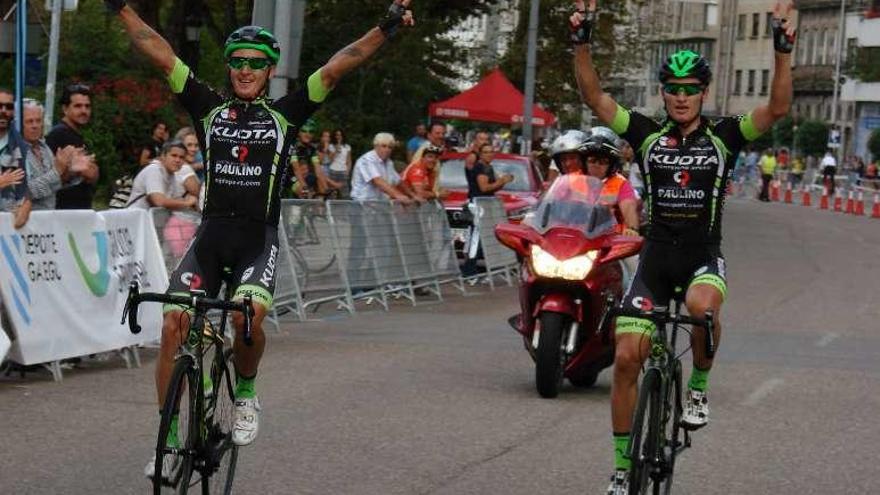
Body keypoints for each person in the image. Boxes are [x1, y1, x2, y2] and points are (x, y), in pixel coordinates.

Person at [104, 0, 417, 482]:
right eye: (238, 61)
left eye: (255, 63)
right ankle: (167, 441)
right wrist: (122, 9)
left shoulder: (287, 114)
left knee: (246, 316)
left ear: (269, 69)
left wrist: (386, 28)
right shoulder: (208, 108)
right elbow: (160, 51)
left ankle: (246, 390)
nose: (245, 69)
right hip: (210, 239)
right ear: (229, 67)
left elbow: (339, 65)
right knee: (172, 323)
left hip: (257, 241)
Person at [570, 0, 796, 492]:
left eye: (690, 90)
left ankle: (696, 389)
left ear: (703, 93)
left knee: (700, 309)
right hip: (655, 259)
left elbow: (777, 107)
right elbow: (595, 98)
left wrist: (782, 50)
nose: (680, 98)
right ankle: (622, 468)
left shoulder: (725, 136)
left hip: (701, 257)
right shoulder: (647, 134)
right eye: (672, 90)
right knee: (628, 356)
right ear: (664, 93)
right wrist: (582, 40)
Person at [21, 99, 92, 210]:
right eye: (29, 121)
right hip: (23, 222)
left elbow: (53, 185)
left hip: (48, 220)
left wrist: (70, 172)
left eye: (38, 121)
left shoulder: (45, 148)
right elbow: (23, 193)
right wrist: (57, 171)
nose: (35, 126)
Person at [461, 143, 513, 277]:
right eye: (485, 152)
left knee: (480, 237)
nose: (489, 154)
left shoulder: (488, 167)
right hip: (477, 206)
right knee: (476, 237)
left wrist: (503, 182)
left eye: (491, 152)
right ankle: (469, 269)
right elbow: (484, 188)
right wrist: (502, 181)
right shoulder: (480, 167)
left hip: (484, 205)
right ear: (480, 154)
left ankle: (473, 267)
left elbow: (492, 188)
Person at [46, 83, 100, 209]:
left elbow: (93, 174)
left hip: (78, 208)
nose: (84, 111)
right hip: (64, 209)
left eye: (87, 106)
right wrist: (82, 170)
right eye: (78, 106)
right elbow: (49, 175)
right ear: (65, 109)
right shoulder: (60, 134)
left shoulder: (76, 135)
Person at [126, 140, 197, 211]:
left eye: (181, 157)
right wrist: (187, 203)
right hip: (136, 218)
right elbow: (159, 201)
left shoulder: (171, 174)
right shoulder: (154, 170)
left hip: (150, 218)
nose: (178, 160)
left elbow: (174, 200)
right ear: (163, 156)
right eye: (174, 155)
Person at [0, 89, 32, 228]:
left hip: (9, 230)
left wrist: (27, 205)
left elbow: (30, 185)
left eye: (9, 107)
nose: (3, 110)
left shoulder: (21, 146)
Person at [350, 133, 413, 202]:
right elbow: (377, 181)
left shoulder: (389, 162)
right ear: (376, 146)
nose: (387, 149)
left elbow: (398, 181)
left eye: (390, 147)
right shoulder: (367, 160)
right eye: (384, 146)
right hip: (362, 204)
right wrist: (399, 195)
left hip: (378, 204)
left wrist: (413, 195)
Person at [328, 128, 352, 197]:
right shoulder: (331, 146)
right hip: (333, 170)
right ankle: (331, 207)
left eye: (340, 135)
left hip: (343, 171)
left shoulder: (347, 147)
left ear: (343, 136)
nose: (339, 137)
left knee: (345, 194)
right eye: (337, 135)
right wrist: (336, 150)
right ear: (335, 136)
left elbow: (349, 161)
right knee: (332, 193)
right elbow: (330, 160)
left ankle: (345, 207)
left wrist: (347, 172)